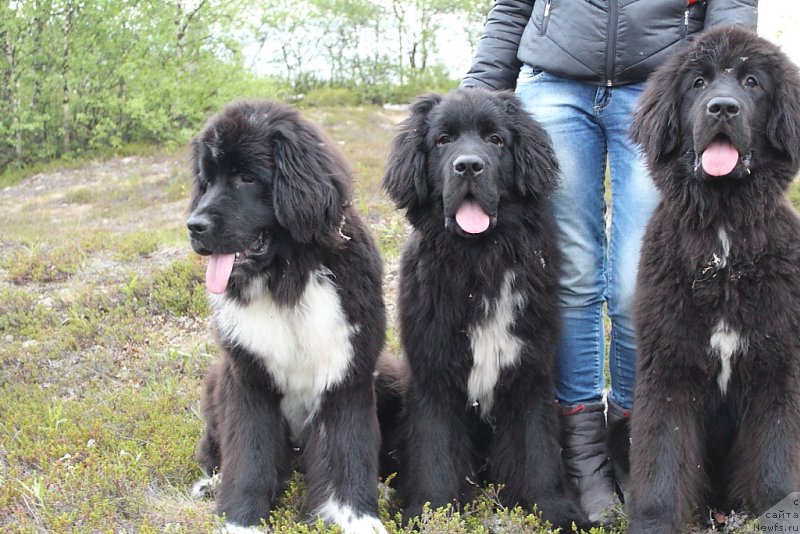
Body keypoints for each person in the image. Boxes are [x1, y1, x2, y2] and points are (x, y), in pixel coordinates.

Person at [462, 0, 758, 524]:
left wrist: (719, 75)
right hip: (554, 84)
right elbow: (512, 6)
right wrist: (479, 90)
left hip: (662, 83)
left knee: (632, 283)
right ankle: (581, 451)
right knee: (572, 275)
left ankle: (634, 438)